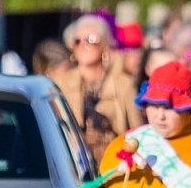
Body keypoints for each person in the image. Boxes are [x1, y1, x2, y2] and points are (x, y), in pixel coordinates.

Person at [56, 14, 141, 164]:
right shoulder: (60, 83)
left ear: (105, 45)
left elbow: (138, 131)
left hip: (115, 165)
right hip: (75, 166)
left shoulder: (124, 85)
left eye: (91, 40)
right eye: (77, 41)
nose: (83, 45)